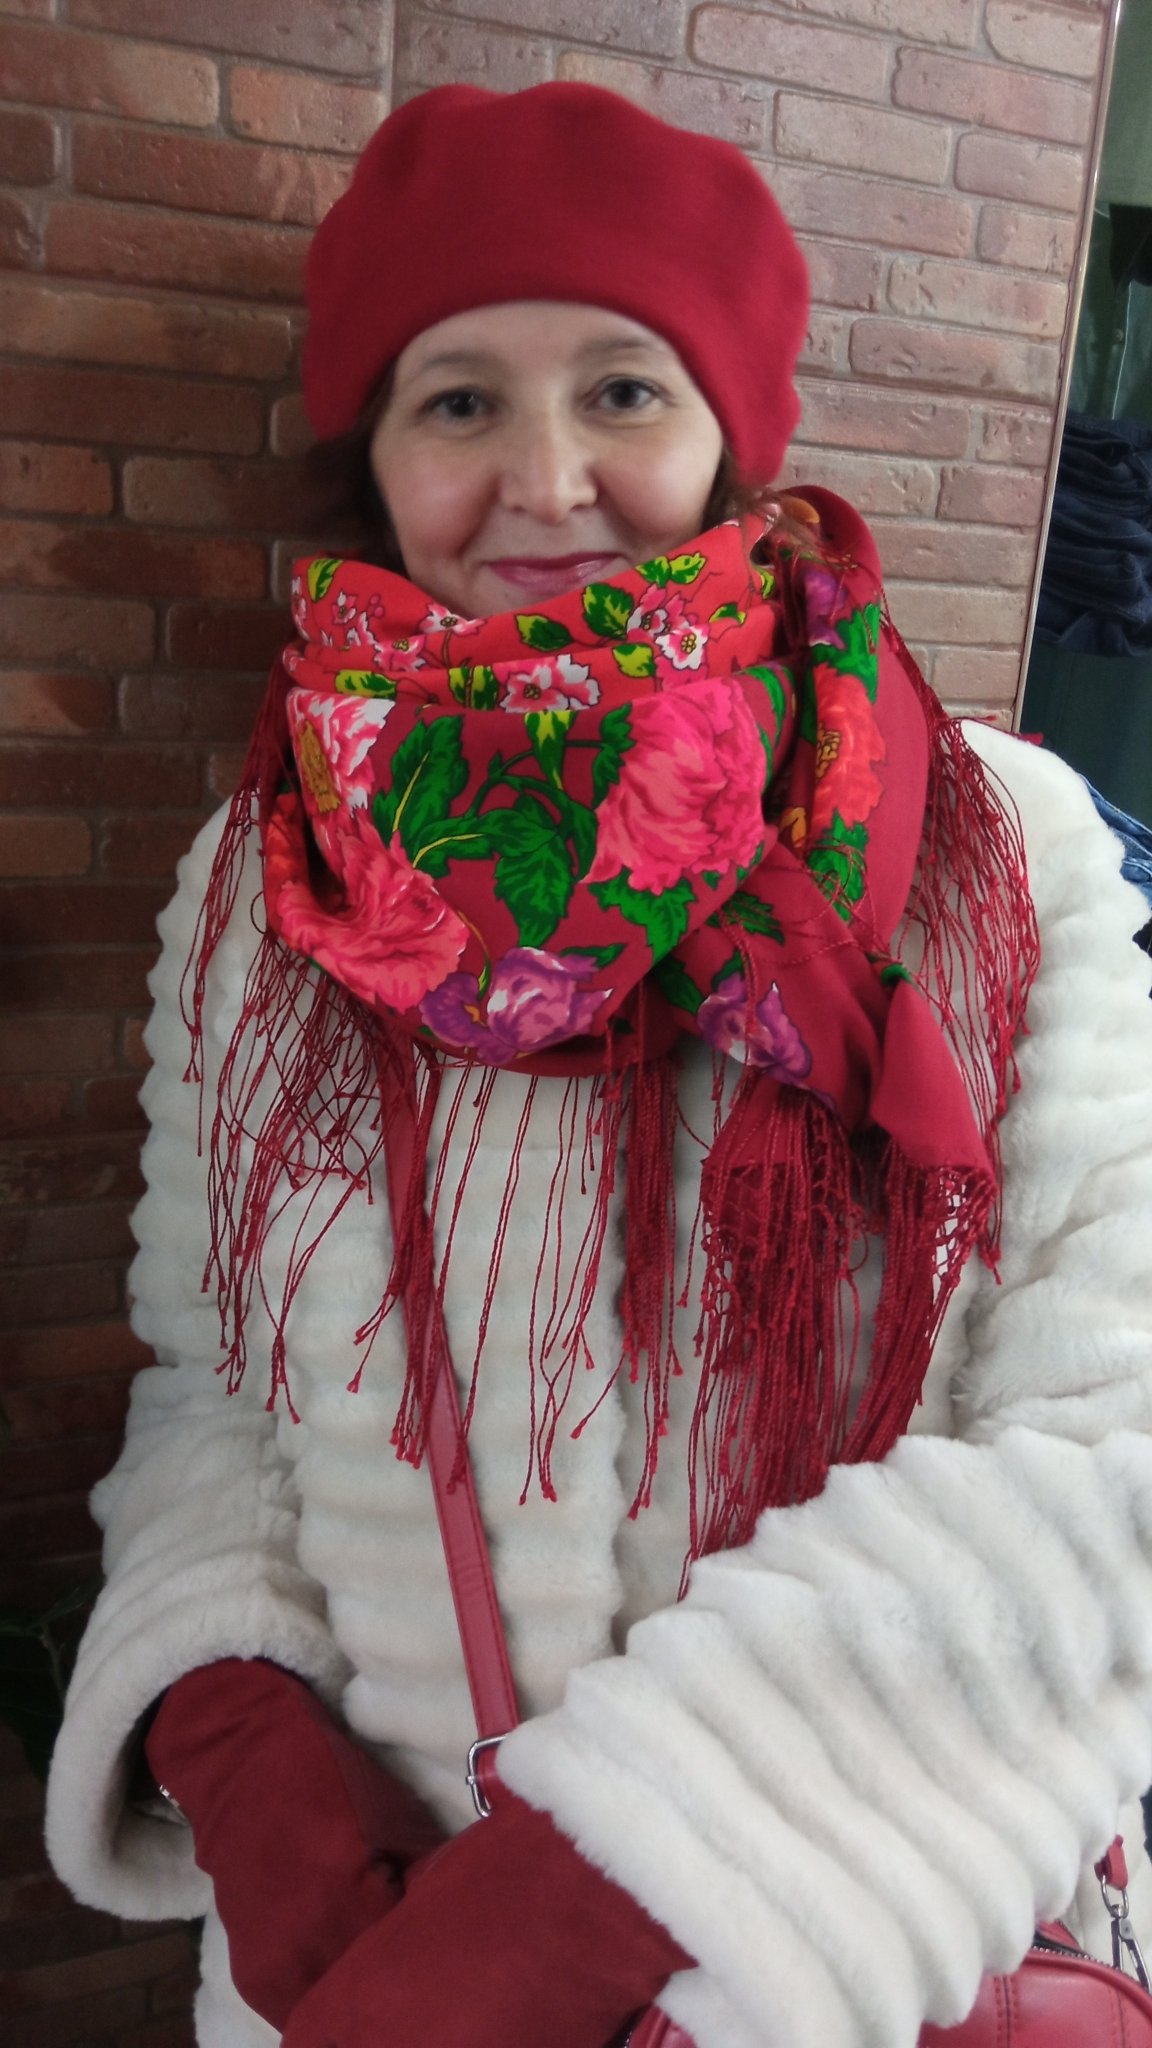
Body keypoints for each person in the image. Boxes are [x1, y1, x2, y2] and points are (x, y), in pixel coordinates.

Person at [43, 81, 1152, 2048]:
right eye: (458, 399)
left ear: (730, 433)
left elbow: (1114, 1438)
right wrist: (243, 1745)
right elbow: (216, 1378)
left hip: (834, 1953)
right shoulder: (270, 883)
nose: (544, 480)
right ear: (375, 454)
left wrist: (609, 1889)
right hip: (373, 1972)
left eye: (623, 391)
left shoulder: (991, 849)